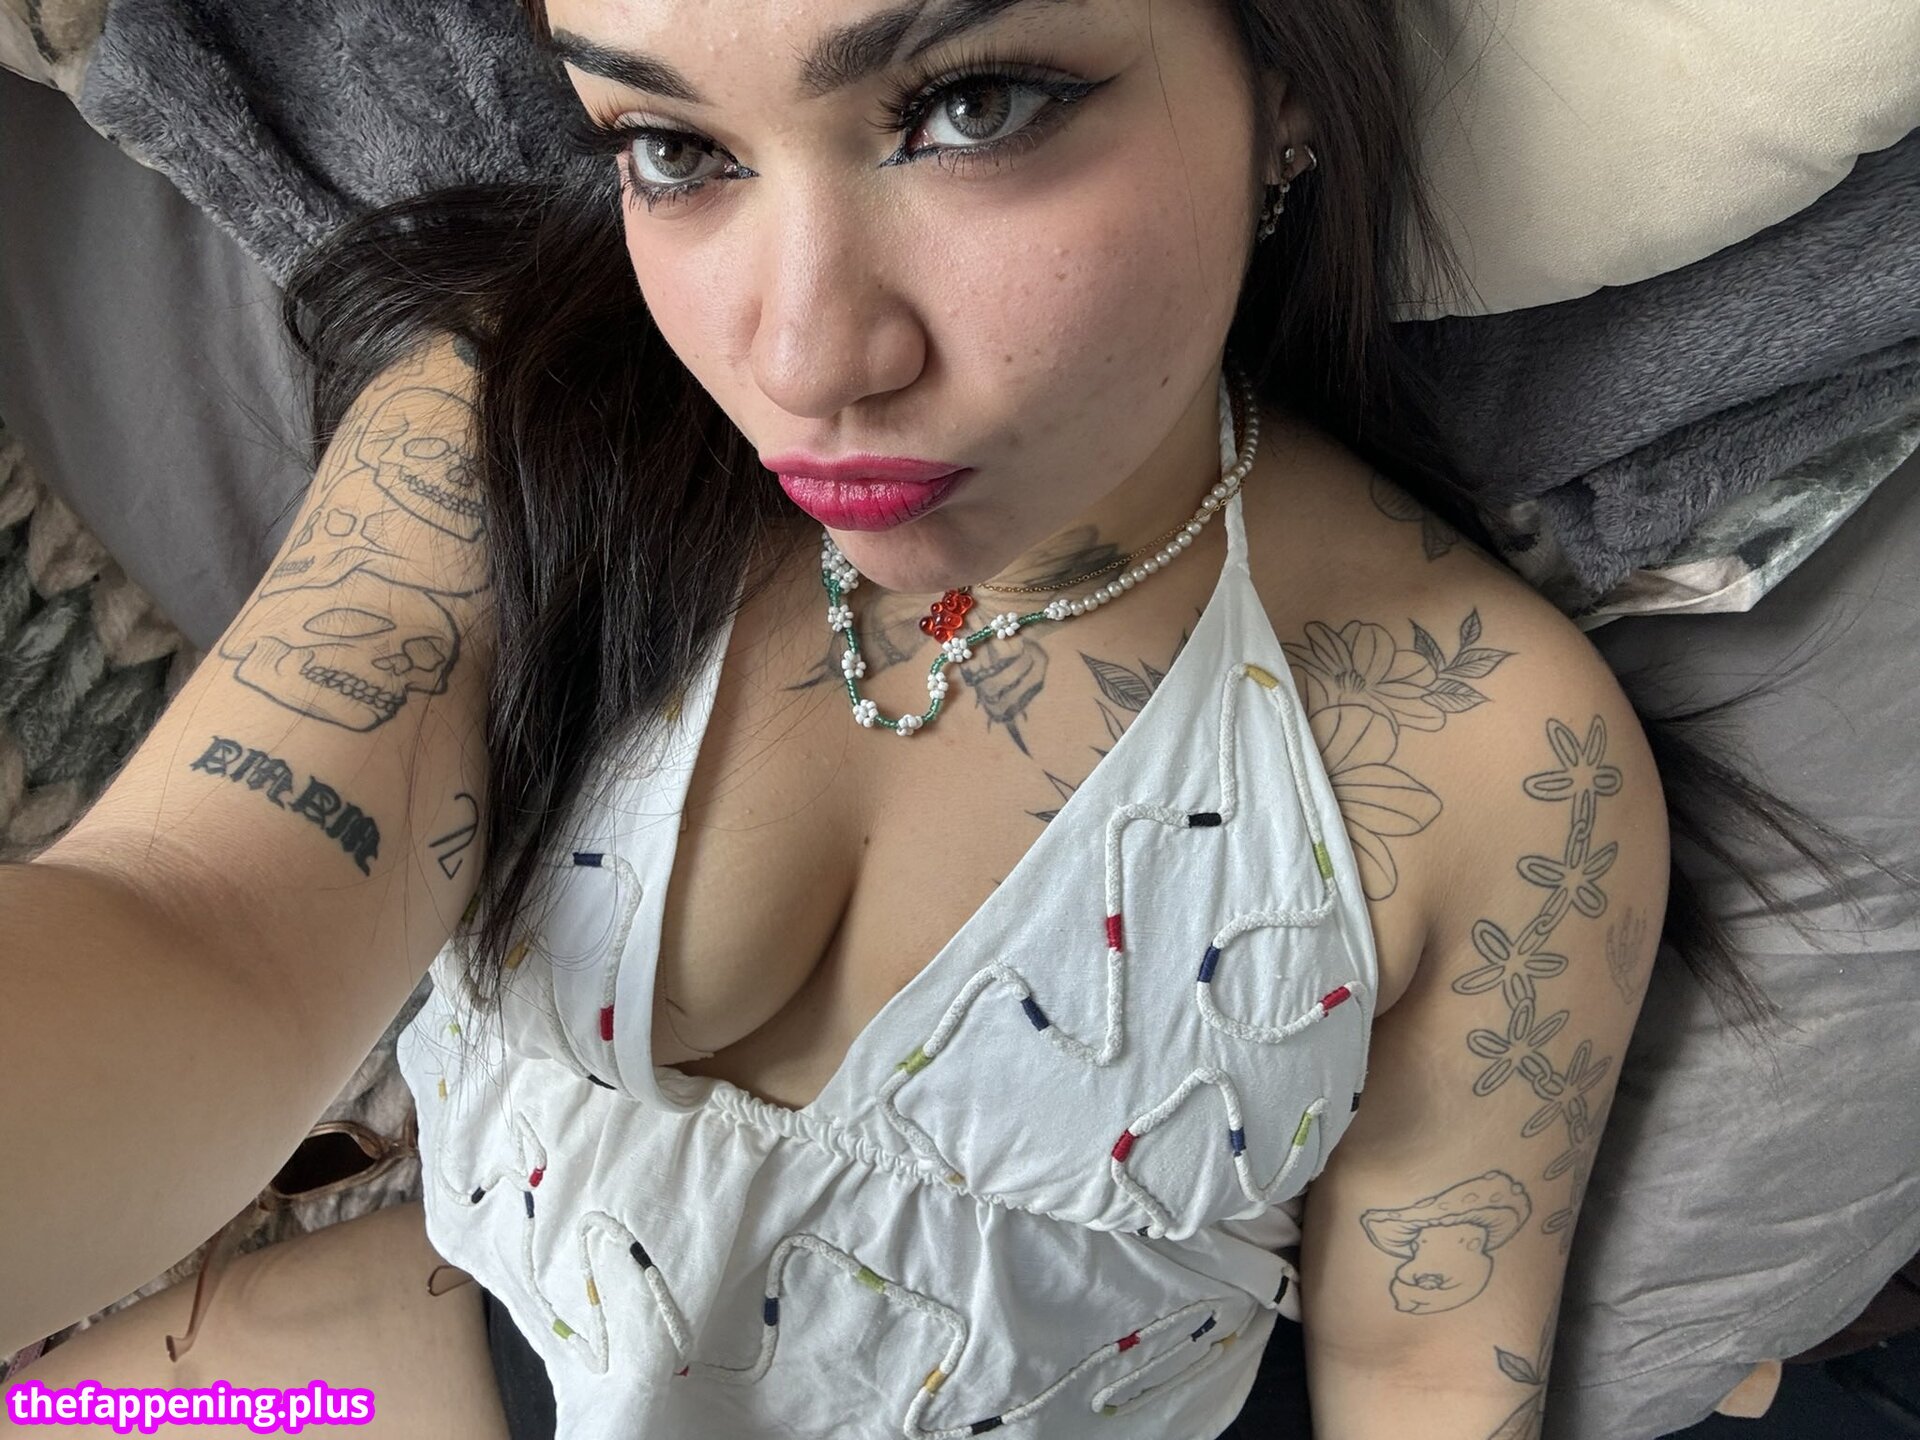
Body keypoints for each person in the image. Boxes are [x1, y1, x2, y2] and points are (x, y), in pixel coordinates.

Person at [0, 1, 1675, 1436]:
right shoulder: (508, 438)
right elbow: (198, 918)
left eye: (975, 106)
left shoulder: (1492, 753)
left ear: (1286, 79)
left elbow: (1427, 1369)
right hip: (390, 1366)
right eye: (675, 149)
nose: (805, 359)